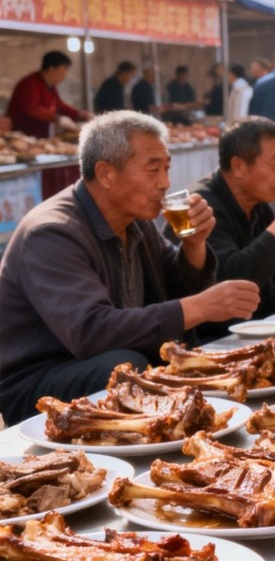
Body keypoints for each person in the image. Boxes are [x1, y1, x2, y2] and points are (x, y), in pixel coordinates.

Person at [0, 111, 260, 424]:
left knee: (173, 353)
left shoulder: (137, 221)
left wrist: (194, 245)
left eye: (167, 169)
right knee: (124, 365)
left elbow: (174, 291)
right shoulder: (52, 232)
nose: (165, 183)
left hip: (106, 359)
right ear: (106, 173)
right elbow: (90, 331)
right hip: (40, 383)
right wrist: (200, 307)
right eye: (153, 170)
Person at [182, 117, 275, 338]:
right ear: (238, 166)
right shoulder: (202, 207)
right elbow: (232, 281)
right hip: (220, 334)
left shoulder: (257, 202)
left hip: (265, 320)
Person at [7, 51, 90, 138]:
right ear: (51, 69)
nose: (65, 75)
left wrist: (80, 114)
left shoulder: (50, 86)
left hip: (41, 136)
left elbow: (60, 106)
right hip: (23, 135)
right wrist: (58, 118)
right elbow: (33, 109)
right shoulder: (30, 83)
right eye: (63, 70)